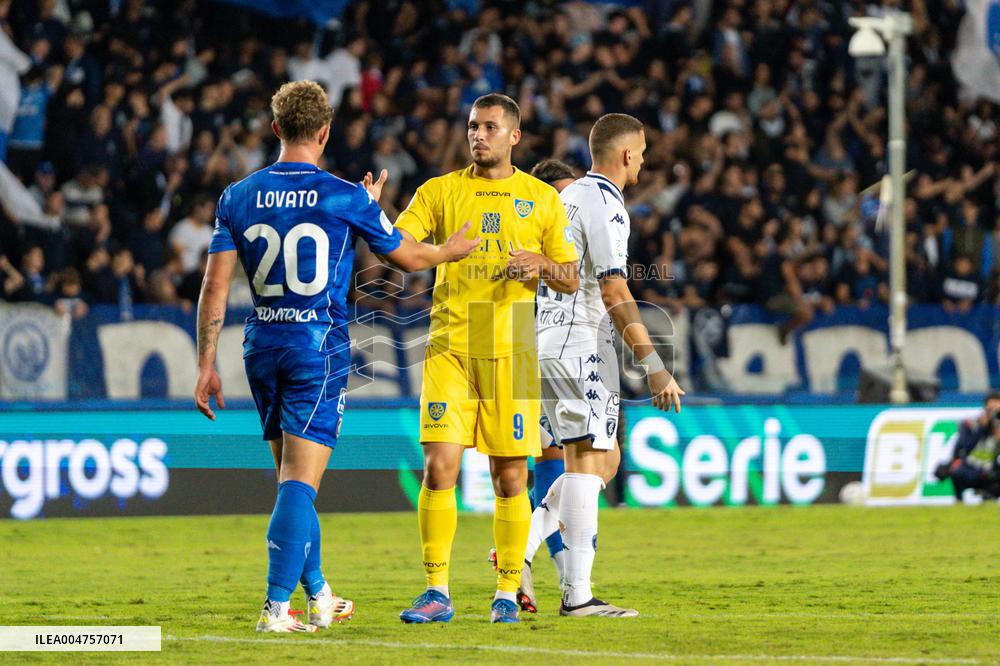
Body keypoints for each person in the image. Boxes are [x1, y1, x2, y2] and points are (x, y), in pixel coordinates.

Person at [193, 80, 480, 633]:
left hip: (260, 346)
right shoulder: (344, 195)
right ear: (325, 132)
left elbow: (214, 286)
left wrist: (206, 363)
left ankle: (320, 594)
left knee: (290, 478)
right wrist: (447, 250)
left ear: (276, 130)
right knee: (300, 483)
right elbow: (405, 256)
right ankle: (278, 608)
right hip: (316, 347)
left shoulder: (237, 195)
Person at [394, 93, 580, 625]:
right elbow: (398, 244)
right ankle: (436, 590)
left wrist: (541, 263)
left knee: (511, 479)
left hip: (512, 354)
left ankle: (504, 593)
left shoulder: (541, 199)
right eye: (473, 126)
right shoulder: (441, 191)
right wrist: (437, 252)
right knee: (439, 467)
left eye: (490, 127)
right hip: (450, 347)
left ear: (514, 136)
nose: (479, 135)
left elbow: (570, 278)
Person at [523, 114, 684, 617]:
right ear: (627, 155)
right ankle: (577, 593)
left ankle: (520, 553)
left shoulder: (567, 198)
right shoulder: (604, 203)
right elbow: (615, 290)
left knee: (598, 461)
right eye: (643, 152)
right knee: (586, 463)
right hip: (578, 340)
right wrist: (655, 365)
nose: (644, 161)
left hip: (552, 337)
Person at [935, 391, 1000, 500]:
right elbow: (965, 447)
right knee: (956, 471)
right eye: (990, 410)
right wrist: (981, 429)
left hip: (989, 470)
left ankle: (989, 496)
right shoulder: (970, 424)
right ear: (985, 409)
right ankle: (959, 500)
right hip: (969, 468)